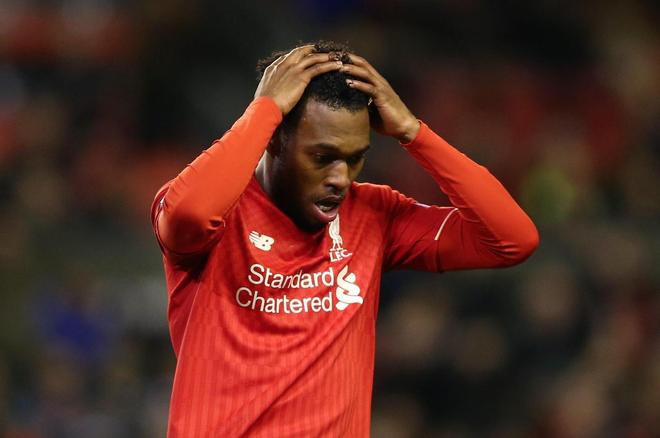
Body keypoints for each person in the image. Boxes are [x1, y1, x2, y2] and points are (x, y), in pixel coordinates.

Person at [150, 41, 539, 437]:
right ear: (274, 137)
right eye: (322, 158)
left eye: (355, 158)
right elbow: (189, 215)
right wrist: (263, 111)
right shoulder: (217, 212)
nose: (340, 178)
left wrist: (413, 132)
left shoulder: (373, 215)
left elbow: (511, 239)